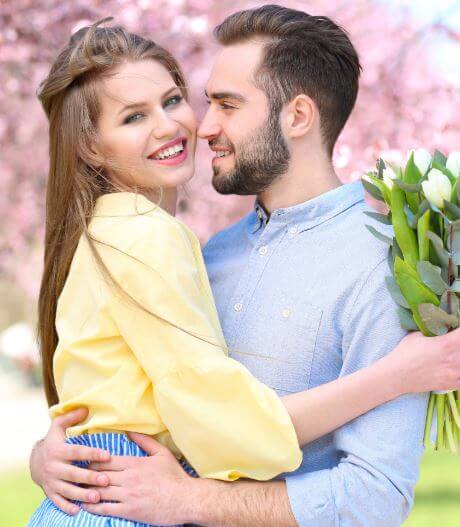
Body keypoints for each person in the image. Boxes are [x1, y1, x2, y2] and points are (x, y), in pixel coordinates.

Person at [29, 7, 460, 527]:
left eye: (226, 105)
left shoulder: (386, 267)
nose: (202, 126)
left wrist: (188, 499)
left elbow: (374, 499)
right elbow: (156, 401)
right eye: (206, 102)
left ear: (297, 117)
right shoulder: (206, 251)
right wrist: (51, 457)